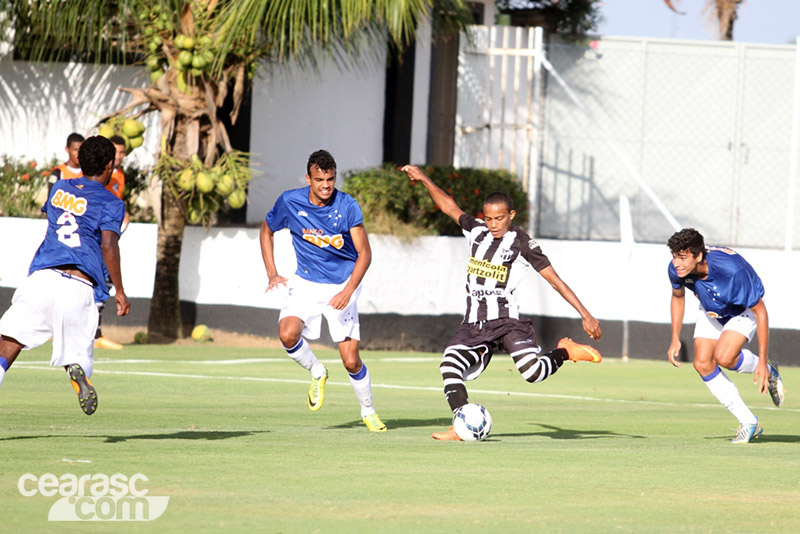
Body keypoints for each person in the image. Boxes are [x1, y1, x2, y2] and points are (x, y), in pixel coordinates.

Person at [400, 165, 603, 441]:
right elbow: (449, 206)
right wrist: (424, 179)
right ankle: (461, 424)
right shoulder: (476, 231)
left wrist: (585, 314)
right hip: (474, 324)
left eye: (499, 218)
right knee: (449, 365)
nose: (493, 224)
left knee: (533, 373)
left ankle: (566, 352)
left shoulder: (522, 244)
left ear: (511, 215)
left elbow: (555, 280)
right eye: (489, 218)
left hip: (507, 324)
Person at [0, 136, 130, 415]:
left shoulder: (59, 187)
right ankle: (75, 369)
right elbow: (108, 244)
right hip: (78, 286)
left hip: (42, 279)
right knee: (79, 355)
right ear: (109, 165)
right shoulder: (112, 202)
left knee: (6, 345)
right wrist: (119, 290)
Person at [259, 149, 386, 432]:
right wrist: (272, 273)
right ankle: (317, 371)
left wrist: (348, 290)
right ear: (308, 178)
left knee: (351, 360)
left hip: (342, 284)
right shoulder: (289, 201)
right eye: (319, 180)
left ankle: (368, 411)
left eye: (330, 179)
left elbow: (364, 254)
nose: (326, 186)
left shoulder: (347, 206)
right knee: (286, 333)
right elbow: (266, 230)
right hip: (305, 282)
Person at [666, 228, 785, 444]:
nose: (676, 263)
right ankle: (748, 422)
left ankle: (768, 367)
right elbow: (677, 296)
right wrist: (675, 337)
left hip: (743, 310)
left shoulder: (732, 272)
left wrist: (760, 363)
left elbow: (760, 312)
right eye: (674, 256)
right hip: (712, 309)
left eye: (682, 257)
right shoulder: (677, 269)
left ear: (699, 255)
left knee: (725, 357)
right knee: (702, 363)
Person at [92, 135, 130, 351]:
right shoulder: (98, 175)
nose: (119, 157)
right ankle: (94, 334)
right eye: (115, 152)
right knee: (99, 278)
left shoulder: (120, 176)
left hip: (110, 232)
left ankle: (95, 332)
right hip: (97, 236)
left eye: (122, 152)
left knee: (103, 280)